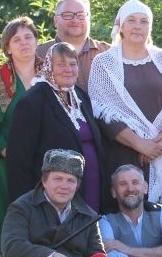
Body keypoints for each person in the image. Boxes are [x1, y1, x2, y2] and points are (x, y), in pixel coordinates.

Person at [88, 0, 162, 219]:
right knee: (125, 218)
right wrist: (141, 144)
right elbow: (101, 111)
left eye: (144, 21)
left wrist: (158, 145)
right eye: (131, 20)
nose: (137, 26)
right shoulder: (103, 63)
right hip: (124, 154)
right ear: (121, 26)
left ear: (149, 27)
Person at [7, 42, 106, 213]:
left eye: (72, 64)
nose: (68, 69)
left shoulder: (80, 97)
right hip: (52, 199)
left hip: (91, 186)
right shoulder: (33, 101)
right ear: (48, 67)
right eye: (61, 64)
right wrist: (26, 210)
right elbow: (19, 161)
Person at [0, 17, 40, 255]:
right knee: (6, 213)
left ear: (36, 41)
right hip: (5, 159)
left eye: (28, 37)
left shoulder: (51, 73)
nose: (24, 43)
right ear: (7, 48)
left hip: (44, 160)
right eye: (16, 39)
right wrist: (6, 151)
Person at [36, 0, 110, 92]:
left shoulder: (109, 53)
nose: (75, 20)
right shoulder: (38, 55)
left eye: (81, 15)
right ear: (55, 20)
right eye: (67, 15)